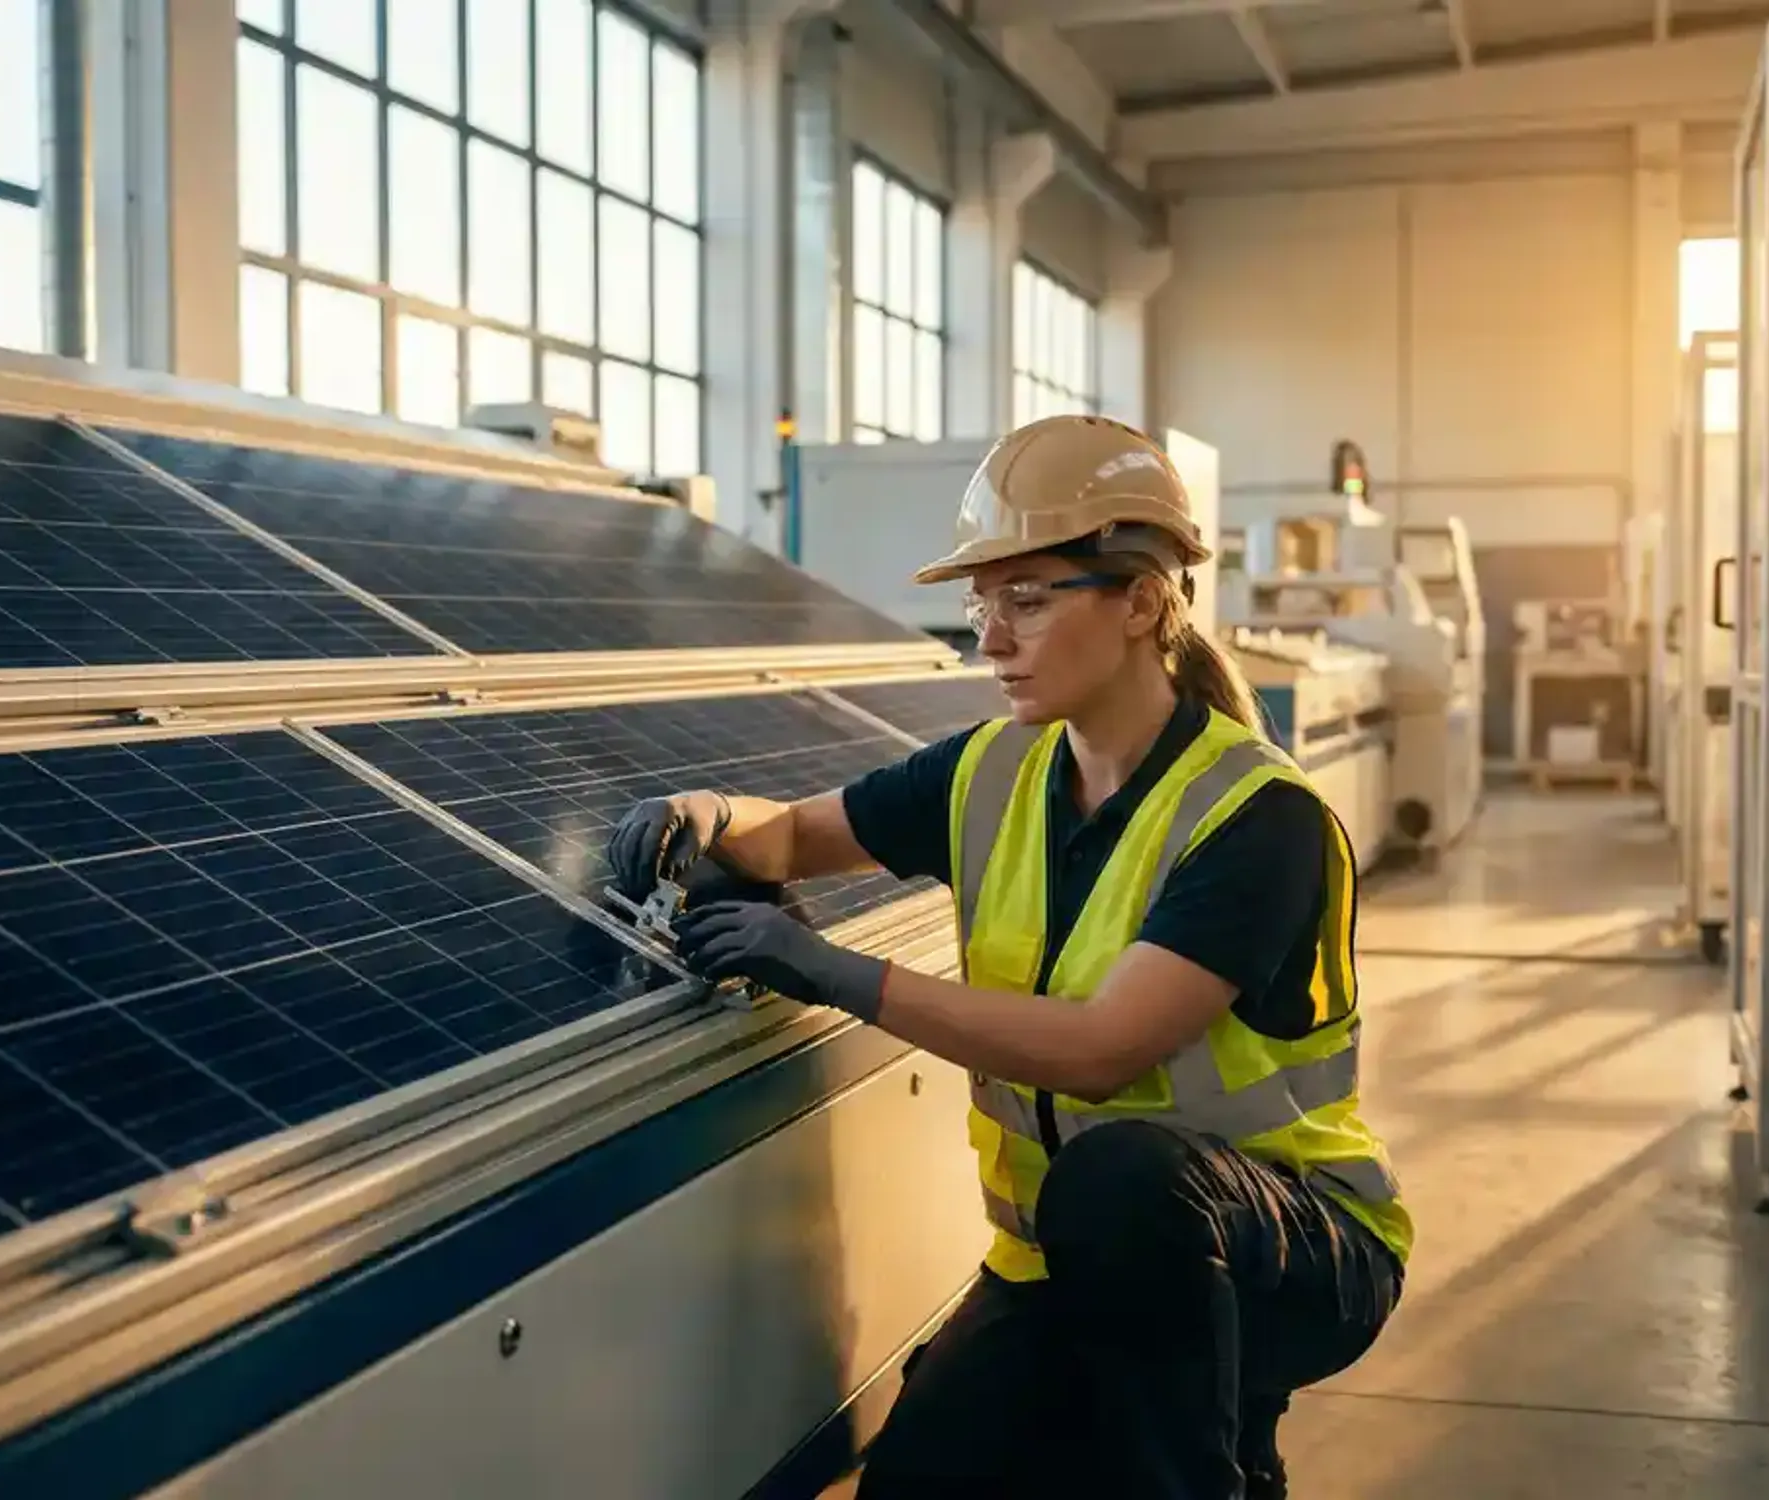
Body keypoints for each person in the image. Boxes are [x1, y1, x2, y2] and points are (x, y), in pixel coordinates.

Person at [604, 415, 1412, 1500]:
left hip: (1285, 1246)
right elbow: (792, 836)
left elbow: (1099, 1053)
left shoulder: (1255, 817)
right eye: (984, 602)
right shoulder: (993, 771)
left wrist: (831, 971)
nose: (990, 637)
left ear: (1141, 602)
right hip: (1056, 1258)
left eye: (1026, 599)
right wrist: (706, 812)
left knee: (1125, 1197)